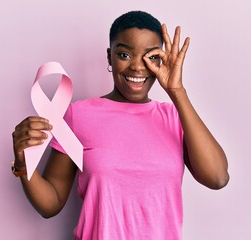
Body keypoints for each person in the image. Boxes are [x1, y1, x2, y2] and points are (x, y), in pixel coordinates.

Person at [12, 10, 229, 240]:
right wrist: (23, 162)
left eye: (151, 57)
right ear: (110, 57)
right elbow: (51, 203)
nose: (137, 67)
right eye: (125, 54)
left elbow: (217, 177)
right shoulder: (79, 115)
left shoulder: (175, 118)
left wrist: (177, 91)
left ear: (161, 60)